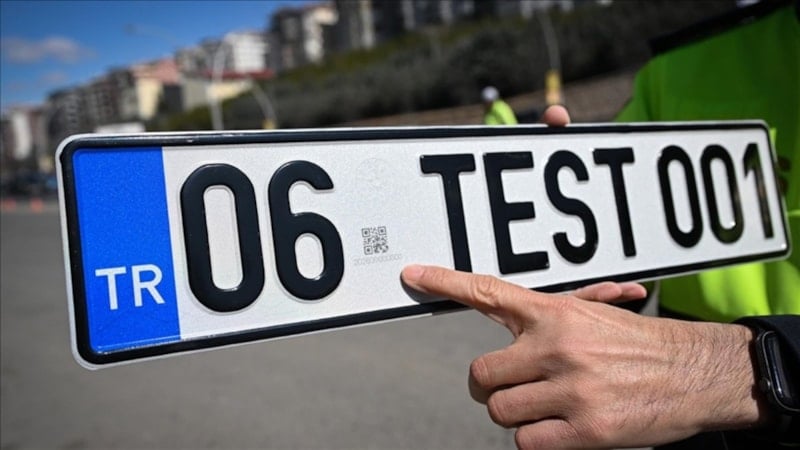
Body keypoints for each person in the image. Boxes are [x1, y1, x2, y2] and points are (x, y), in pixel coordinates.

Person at [402, 2, 799, 448]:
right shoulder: (679, 68)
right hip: (696, 432)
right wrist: (561, 269)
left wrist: (745, 367)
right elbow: (620, 265)